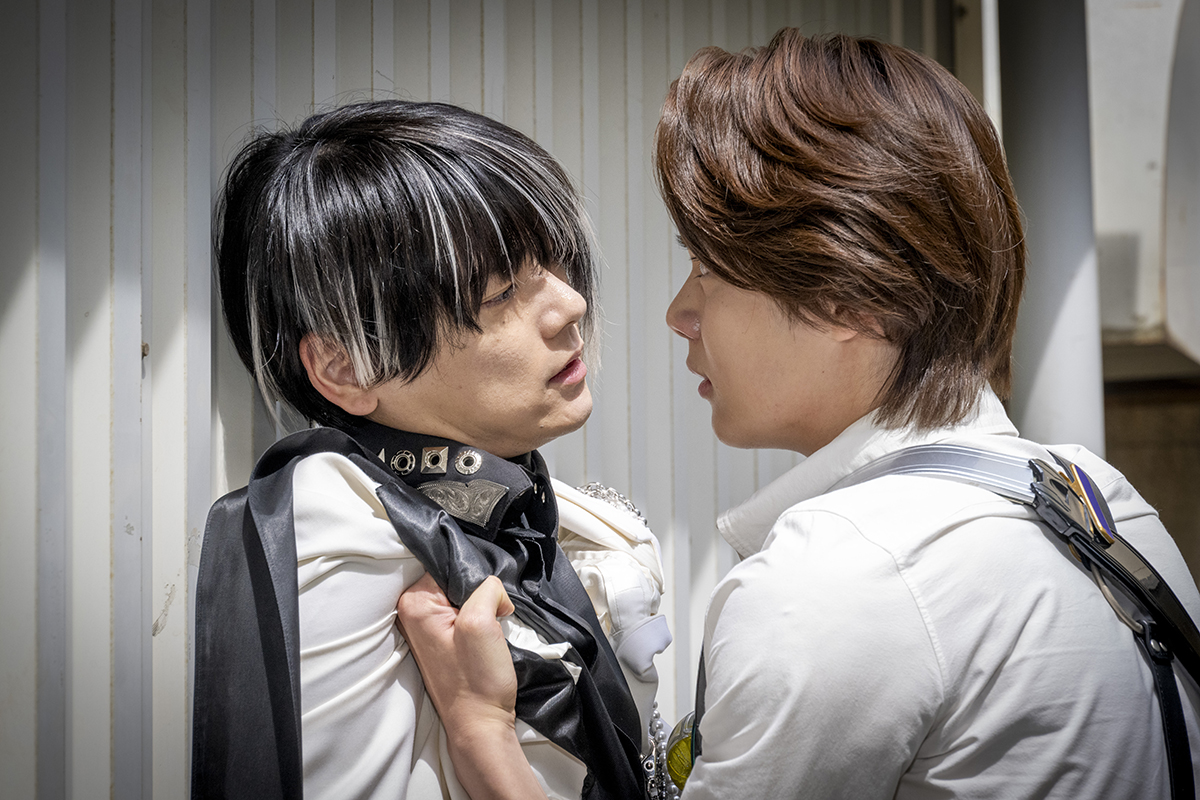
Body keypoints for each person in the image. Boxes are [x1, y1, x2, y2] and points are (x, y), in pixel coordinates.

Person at [395, 29, 1200, 799]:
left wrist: (482, 732)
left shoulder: (841, 581)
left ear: (847, 296)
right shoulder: (1095, 496)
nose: (679, 313)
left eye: (707, 268)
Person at [191, 100, 671, 800]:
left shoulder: (563, 520)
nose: (571, 303)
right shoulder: (341, 524)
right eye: (501, 290)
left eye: (557, 262)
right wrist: (480, 733)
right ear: (346, 367)